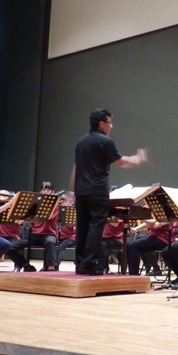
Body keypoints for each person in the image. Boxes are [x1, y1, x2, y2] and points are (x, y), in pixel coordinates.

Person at [71, 108, 147, 275]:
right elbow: (120, 162)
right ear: (101, 124)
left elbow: (76, 168)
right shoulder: (105, 141)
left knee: (82, 227)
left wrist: (73, 189)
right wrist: (136, 159)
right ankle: (88, 263)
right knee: (96, 226)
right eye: (110, 123)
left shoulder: (81, 142)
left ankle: (80, 263)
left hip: (81, 191)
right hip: (97, 190)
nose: (112, 126)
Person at [31, 181, 60, 271]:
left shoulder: (55, 205)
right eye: (44, 190)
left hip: (49, 234)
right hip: (35, 235)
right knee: (12, 245)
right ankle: (24, 264)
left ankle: (51, 269)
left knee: (50, 242)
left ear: (52, 192)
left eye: (48, 190)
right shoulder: (34, 204)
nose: (46, 192)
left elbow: (48, 217)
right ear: (40, 192)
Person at [56, 192, 76, 268]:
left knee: (61, 246)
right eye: (61, 200)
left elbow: (75, 229)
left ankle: (55, 266)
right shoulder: (57, 211)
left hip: (71, 237)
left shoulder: (72, 211)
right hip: (60, 236)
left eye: (65, 201)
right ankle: (47, 266)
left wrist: (71, 223)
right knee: (51, 246)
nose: (63, 202)